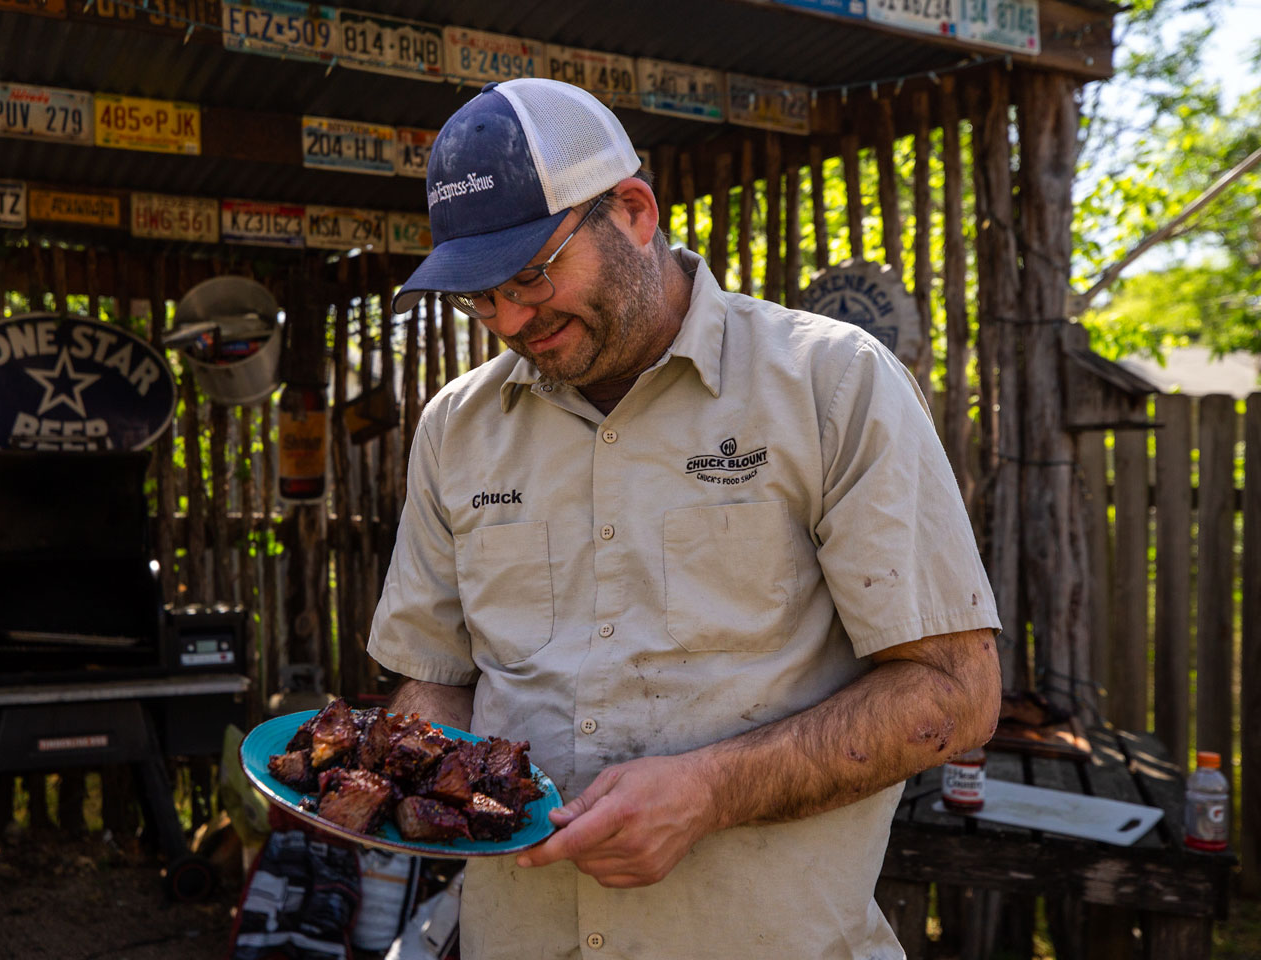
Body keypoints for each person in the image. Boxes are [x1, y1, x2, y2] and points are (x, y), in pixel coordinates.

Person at [368, 78, 1002, 960]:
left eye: (530, 275)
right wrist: (404, 769)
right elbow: (435, 678)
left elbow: (955, 694)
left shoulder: (830, 385)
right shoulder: (456, 427)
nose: (510, 319)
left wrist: (713, 790)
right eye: (479, 298)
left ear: (631, 211)